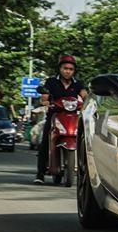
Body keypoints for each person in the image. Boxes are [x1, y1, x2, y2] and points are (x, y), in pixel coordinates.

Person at [35, 55, 87, 184]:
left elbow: (85, 96)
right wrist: (45, 101)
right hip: (54, 116)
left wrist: (90, 103)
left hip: (73, 117)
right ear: (60, 68)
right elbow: (45, 96)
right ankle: (40, 174)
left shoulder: (78, 84)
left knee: (85, 141)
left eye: (71, 69)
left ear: (74, 71)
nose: (68, 71)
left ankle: (84, 172)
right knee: (45, 142)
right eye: (65, 68)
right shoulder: (51, 82)